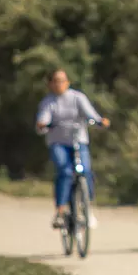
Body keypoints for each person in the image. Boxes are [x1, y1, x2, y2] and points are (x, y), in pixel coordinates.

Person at [35, 69, 110, 229]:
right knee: (65, 171)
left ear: (68, 82)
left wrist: (99, 121)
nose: (59, 84)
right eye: (56, 81)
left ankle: (86, 207)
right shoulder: (48, 102)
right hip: (58, 143)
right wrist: (43, 124)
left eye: (62, 80)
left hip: (78, 142)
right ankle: (61, 211)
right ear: (50, 84)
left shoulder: (77, 98)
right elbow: (43, 119)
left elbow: (91, 115)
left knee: (86, 170)